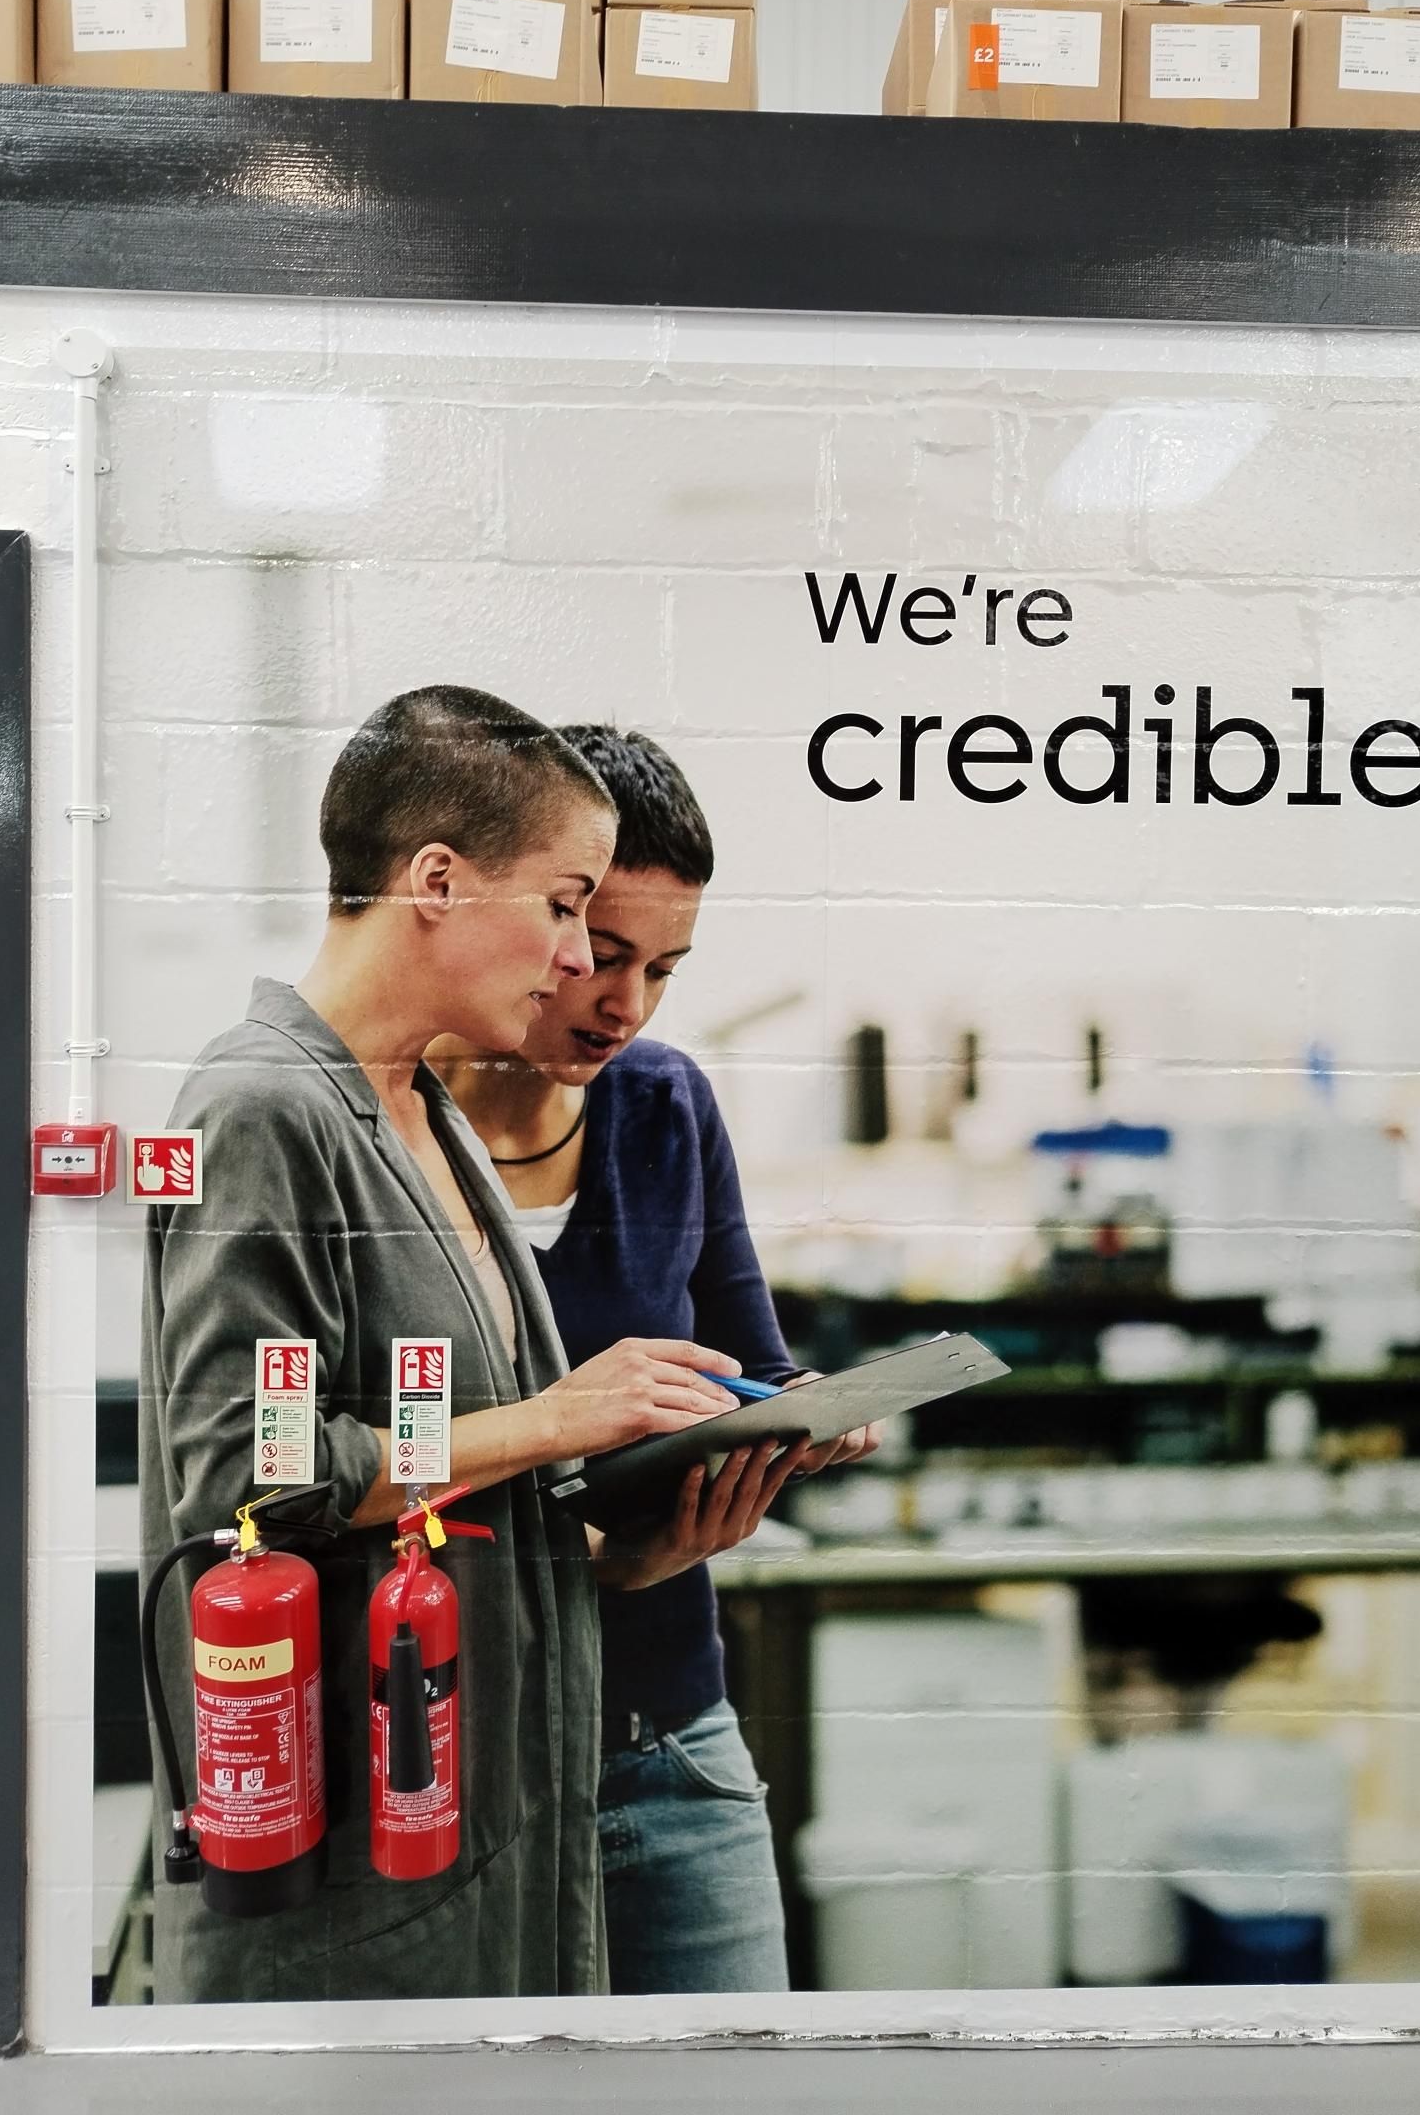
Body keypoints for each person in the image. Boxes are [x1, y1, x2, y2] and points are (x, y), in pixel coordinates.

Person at [140, 685, 752, 2005]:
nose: (578, 957)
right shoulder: (260, 1109)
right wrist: (559, 1417)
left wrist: (618, 1548)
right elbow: (243, 1479)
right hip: (359, 1876)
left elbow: (431, 1479)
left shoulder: (425, 1115)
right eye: (563, 906)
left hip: (491, 1830)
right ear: (436, 880)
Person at [434, 725, 878, 1995]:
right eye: (604, 956)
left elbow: (752, 1354)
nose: (625, 1004)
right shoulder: (384, 1134)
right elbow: (341, 1467)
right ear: (543, 920)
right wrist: (597, 1533)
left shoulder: (665, 1104)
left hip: (669, 1733)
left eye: (666, 970)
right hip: (461, 1752)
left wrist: (800, 1417)